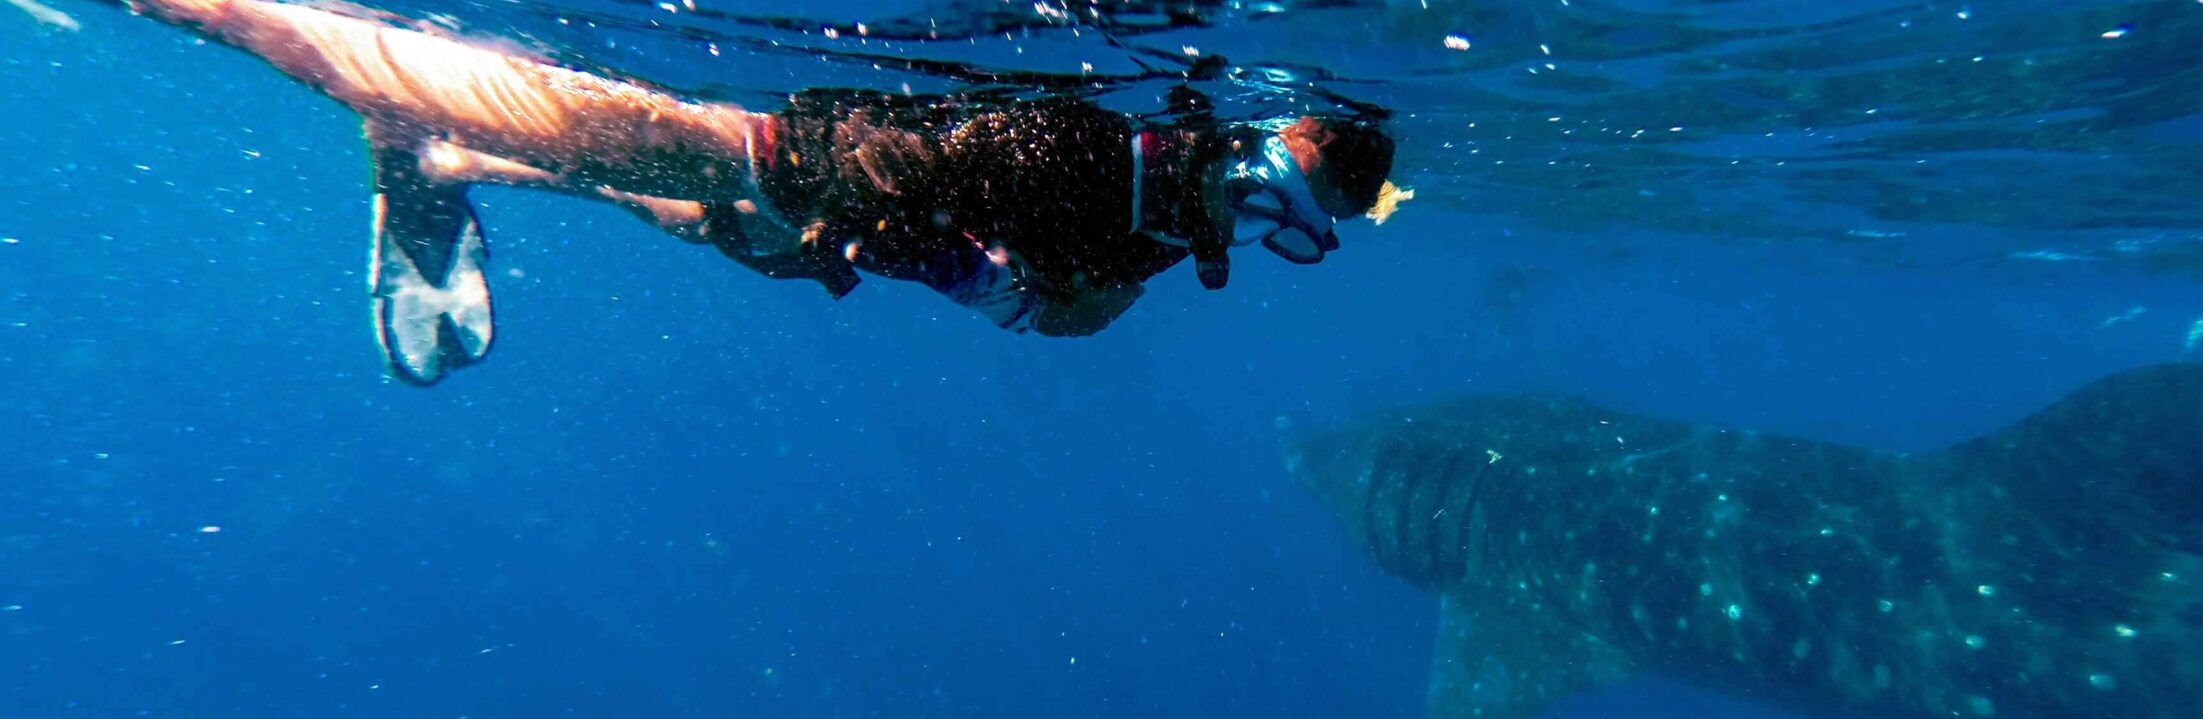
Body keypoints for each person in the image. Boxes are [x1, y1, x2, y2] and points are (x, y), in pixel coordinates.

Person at [113, 0, 1401, 382]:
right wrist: (937, 253)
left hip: (834, 219)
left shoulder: (1177, 217)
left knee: (718, 231)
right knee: (647, 158)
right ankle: (243, 20)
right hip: (791, 151)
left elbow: (1072, 300)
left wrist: (1005, 295)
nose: (1258, 230)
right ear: (1258, 143)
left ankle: (445, 155)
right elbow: (933, 169)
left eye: (1299, 236)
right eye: (1275, 197)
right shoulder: (1107, 149)